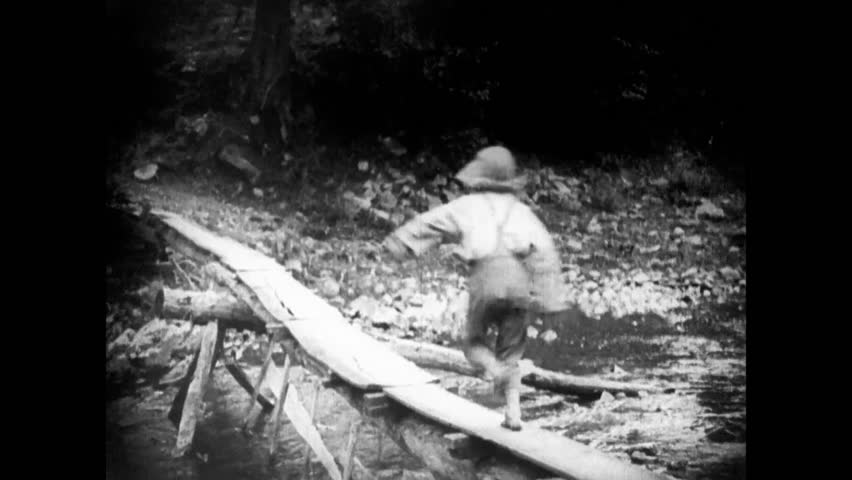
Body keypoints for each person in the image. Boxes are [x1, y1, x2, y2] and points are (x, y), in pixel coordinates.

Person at [383, 145, 565, 430]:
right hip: (519, 286)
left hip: (486, 281)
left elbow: (431, 223)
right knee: (512, 352)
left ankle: (495, 371)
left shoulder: (468, 206)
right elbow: (546, 254)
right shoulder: (523, 213)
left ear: (480, 179)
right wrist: (552, 301)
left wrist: (402, 243)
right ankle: (513, 413)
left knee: (474, 343)